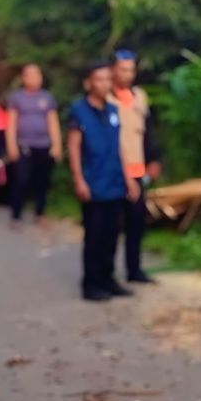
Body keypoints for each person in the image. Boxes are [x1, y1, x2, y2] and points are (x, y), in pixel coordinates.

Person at [67, 62, 140, 301]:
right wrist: (79, 180)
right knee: (94, 236)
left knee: (111, 235)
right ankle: (91, 283)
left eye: (108, 79)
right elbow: (74, 148)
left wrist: (129, 178)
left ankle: (109, 280)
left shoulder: (112, 109)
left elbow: (119, 146)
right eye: (99, 79)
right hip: (93, 183)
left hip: (114, 182)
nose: (105, 84)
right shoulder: (79, 110)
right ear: (89, 83)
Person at [111, 49, 162, 283]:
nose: (127, 74)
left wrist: (153, 159)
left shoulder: (140, 96)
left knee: (136, 224)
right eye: (123, 69)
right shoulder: (106, 100)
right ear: (113, 70)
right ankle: (107, 273)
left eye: (131, 69)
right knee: (111, 226)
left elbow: (148, 131)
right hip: (113, 171)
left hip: (138, 169)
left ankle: (135, 270)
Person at [5, 63, 62, 228]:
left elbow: (53, 122)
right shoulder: (17, 98)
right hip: (23, 146)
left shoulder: (47, 98)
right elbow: (12, 122)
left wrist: (57, 145)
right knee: (21, 181)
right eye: (30, 75)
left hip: (44, 146)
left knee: (42, 182)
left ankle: (40, 213)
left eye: (37, 74)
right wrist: (11, 146)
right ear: (24, 78)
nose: (35, 78)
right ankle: (16, 215)